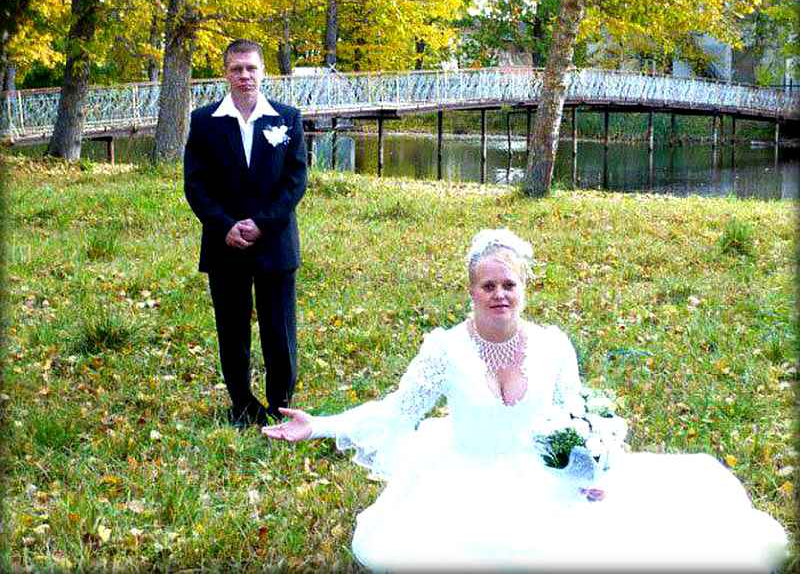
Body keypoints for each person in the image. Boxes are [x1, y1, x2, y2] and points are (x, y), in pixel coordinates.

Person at [264, 229, 788, 571]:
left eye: (509, 284)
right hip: (465, 479)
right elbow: (397, 412)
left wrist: (592, 474)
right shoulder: (444, 350)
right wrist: (321, 424)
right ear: (471, 291)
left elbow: (578, 419)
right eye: (488, 285)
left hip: (542, 478)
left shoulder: (554, 344)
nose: (499, 294)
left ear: (524, 289)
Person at [185, 39, 307, 428]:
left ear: (262, 71)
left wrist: (263, 223)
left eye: (251, 68)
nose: (244, 76)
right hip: (225, 244)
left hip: (275, 242)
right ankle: (242, 405)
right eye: (237, 68)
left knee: (279, 331)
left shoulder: (287, 118)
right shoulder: (205, 121)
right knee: (232, 331)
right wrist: (224, 225)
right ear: (226, 73)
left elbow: (296, 180)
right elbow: (196, 184)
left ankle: (280, 406)